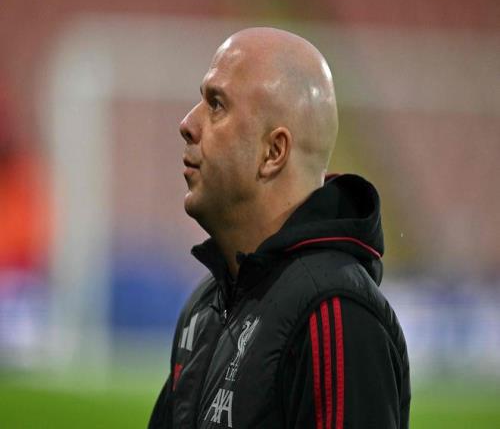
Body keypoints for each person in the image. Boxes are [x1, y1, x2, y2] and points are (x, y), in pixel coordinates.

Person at [149, 27, 410, 429]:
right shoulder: (205, 305)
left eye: (216, 105)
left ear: (273, 152)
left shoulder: (334, 313)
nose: (187, 123)